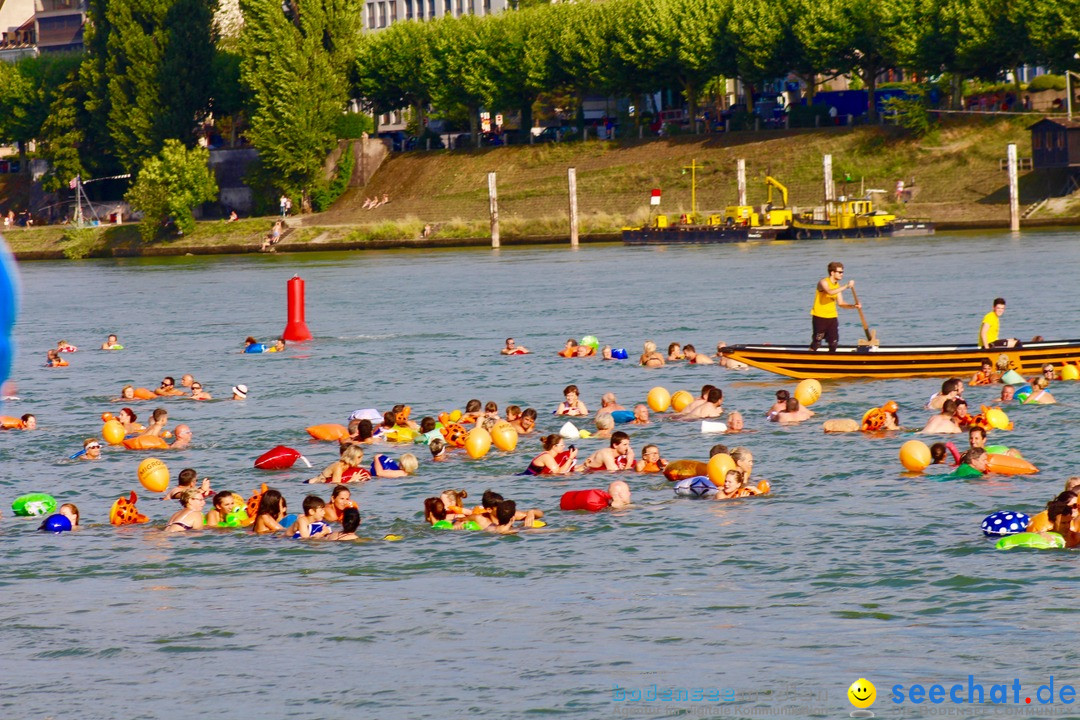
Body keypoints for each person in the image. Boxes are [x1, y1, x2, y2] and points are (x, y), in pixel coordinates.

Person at [810, 261, 860, 352]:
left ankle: (830, 361)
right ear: (832, 272)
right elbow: (829, 291)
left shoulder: (837, 286)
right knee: (817, 342)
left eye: (842, 272)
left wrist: (854, 306)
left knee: (833, 343)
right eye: (840, 272)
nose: (842, 274)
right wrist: (846, 286)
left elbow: (841, 303)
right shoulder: (823, 282)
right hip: (820, 316)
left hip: (832, 317)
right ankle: (808, 359)